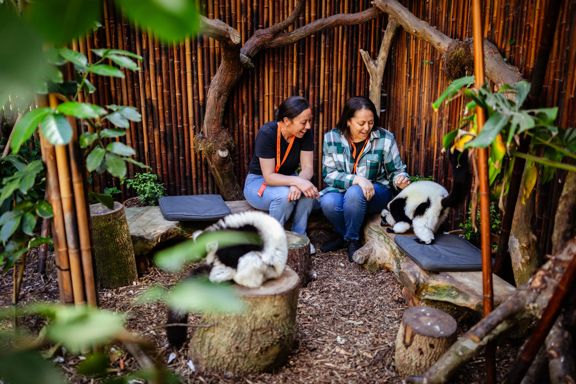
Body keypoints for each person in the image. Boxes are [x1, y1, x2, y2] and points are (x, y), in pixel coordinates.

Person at [319, 96, 410, 261]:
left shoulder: (385, 138)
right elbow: (329, 174)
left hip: (375, 193)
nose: (367, 127)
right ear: (348, 121)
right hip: (341, 190)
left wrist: (400, 179)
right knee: (328, 202)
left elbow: (395, 171)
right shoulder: (331, 138)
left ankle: (352, 239)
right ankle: (345, 235)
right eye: (361, 123)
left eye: (371, 122)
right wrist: (357, 179)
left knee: (355, 193)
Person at [244, 96, 319, 245]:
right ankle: (274, 242)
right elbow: (269, 177)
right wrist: (297, 181)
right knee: (285, 196)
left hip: (289, 179)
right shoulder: (267, 133)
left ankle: (299, 238)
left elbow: (308, 168)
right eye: (303, 122)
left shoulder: (305, 133)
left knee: (310, 192)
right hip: (259, 182)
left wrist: (297, 183)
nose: (308, 126)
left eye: (309, 121)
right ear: (286, 121)